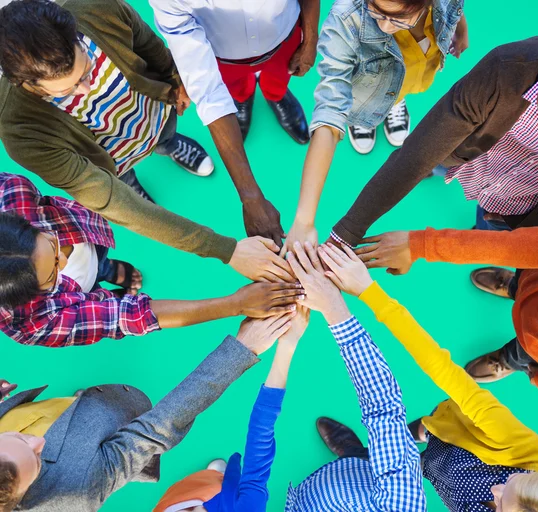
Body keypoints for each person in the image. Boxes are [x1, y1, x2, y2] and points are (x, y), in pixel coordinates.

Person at [0, 0, 295, 283]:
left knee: (166, 138)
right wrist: (226, 250)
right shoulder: (20, 131)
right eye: (69, 90)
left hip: (154, 115)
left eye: (87, 70)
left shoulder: (93, 6)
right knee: (125, 184)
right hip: (113, 160)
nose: (88, 87)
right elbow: (115, 202)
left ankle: (170, 146)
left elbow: (146, 42)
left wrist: (172, 76)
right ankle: (133, 181)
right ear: (26, 84)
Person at [316, 241, 538, 511]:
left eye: (501, 504)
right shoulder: (523, 447)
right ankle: (395, 443)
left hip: (440, 476)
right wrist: (368, 291)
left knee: (402, 468)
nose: (495, 490)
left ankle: (361, 457)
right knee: (416, 432)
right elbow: (440, 366)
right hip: (443, 431)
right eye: (512, 480)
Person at [0, 313, 295, 512]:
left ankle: (77, 408)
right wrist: (243, 349)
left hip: (61, 412)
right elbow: (157, 427)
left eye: (19, 440)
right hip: (108, 450)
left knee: (73, 414)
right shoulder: (77, 490)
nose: (40, 442)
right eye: (36, 459)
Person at [328, 38, 538, 247]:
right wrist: (348, 232)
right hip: (466, 154)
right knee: (433, 160)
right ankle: (438, 170)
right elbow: (417, 156)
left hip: (518, 204)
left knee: (488, 234)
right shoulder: (506, 70)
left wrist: (531, 224)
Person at [0, 173, 304, 347]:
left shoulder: (11, 192)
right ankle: (104, 275)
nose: (62, 263)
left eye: (53, 245)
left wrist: (228, 250)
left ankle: (110, 269)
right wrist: (234, 304)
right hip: (78, 290)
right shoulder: (30, 322)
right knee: (89, 285)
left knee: (102, 265)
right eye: (52, 277)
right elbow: (123, 316)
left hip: (87, 234)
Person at [284, 0, 468, 251]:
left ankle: (394, 103)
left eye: (397, 19)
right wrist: (304, 221)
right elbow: (329, 113)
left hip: (416, 70)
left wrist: (460, 28)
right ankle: (363, 119)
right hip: (362, 94)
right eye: (375, 11)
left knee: (403, 89)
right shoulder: (346, 19)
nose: (382, 25)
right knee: (359, 109)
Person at [355, 222, 538, 398]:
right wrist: (420, 245)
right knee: (524, 276)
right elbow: (516, 247)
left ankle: (506, 360)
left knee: (519, 355)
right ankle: (514, 286)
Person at [150, 0, 320, 247]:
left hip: (284, 41)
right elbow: (209, 91)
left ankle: (276, 96)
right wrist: (250, 197)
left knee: (279, 83)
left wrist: (311, 40)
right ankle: (244, 98)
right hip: (222, 60)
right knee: (236, 91)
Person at [283, 242, 427, 511]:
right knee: (384, 445)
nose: (499, 488)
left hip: (306, 502)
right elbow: (382, 406)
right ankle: (359, 452)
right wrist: (334, 308)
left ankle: (362, 453)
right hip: (364, 477)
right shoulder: (399, 503)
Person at [153, 306, 310, 512]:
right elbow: (260, 434)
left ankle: (212, 477)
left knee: (191, 486)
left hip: (182, 498)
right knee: (216, 481)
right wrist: (287, 345)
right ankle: (217, 477)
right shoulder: (247, 508)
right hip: (223, 497)